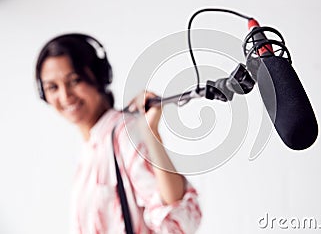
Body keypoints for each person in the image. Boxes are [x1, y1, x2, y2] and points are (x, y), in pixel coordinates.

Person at [35, 33, 202, 234]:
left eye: (74, 80)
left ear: (98, 76)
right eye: (52, 87)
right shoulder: (92, 147)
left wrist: (150, 134)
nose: (65, 96)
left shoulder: (124, 133)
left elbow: (179, 222)